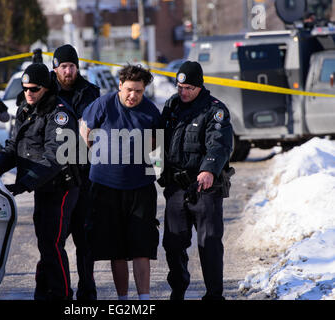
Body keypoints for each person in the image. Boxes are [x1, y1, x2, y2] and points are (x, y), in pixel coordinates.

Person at [0, 63, 80, 300]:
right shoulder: (26, 108)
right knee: (45, 242)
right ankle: (43, 292)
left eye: (34, 89)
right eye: (25, 89)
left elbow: (54, 157)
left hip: (61, 187)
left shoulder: (59, 114)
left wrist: (22, 184)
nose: (28, 93)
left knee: (52, 243)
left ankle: (61, 295)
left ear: (47, 87)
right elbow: (14, 146)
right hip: (42, 187)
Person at [80, 64, 161, 300]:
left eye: (138, 90)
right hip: (105, 188)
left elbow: (157, 143)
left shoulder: (150, 111)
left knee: (141, 248)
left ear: (144, 89)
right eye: (128, 89)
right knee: (116, 249)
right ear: (119, 86)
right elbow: (85, 131)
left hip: (140, 188)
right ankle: (123, 299)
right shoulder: (103, 104)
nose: (132, 95)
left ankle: (144, 299)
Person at [159, 61, 234, 300]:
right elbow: (157, 139)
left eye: (189, 87)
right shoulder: (171, 106)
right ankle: (178, 289)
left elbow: (220, 144)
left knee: (209, 243)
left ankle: (214, 295)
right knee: (173, 243)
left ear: (200, 86)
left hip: (205, 187)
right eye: (180, 86)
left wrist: (209, 169)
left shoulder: (215, 110)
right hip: (176, 186)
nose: (183, 92)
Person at [51, 44, 101, 300]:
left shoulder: (91, 93)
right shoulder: (46, 91)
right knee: (53, 240)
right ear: (55, 68)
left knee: (85, 238)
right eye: (63, 67)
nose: (68, 71)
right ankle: (58, 290)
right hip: (55, 179)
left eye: (72, 66)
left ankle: (87, 290)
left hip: (85, 175)